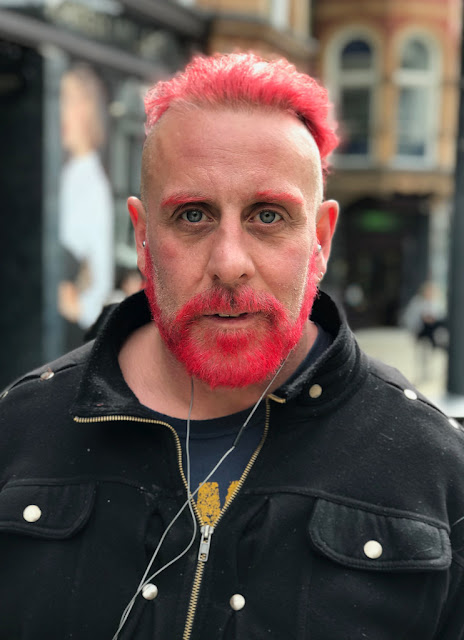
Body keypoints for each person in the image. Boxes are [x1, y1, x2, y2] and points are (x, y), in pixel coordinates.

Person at [1, 53, 464, 640]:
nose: (229, 263)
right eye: (193, 215)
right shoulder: (18, 433)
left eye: (267, 216)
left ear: (320, 240)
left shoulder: (437, 472)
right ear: (142, 238)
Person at [58, 64, 114, 350]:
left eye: (67, 100)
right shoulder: (65, 172)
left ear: (86, 109)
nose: (60, 111)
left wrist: (74, 306)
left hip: (65, 332)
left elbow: (98, 279)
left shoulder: (92, 184)